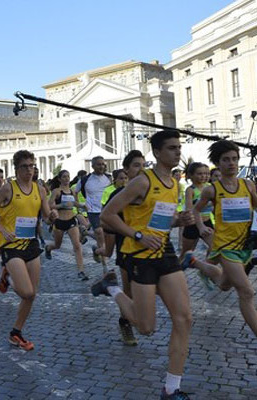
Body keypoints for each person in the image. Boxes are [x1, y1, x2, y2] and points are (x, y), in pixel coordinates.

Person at [94, 130, 194, 399]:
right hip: (140, 258)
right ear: (158, 153)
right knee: (146, 328)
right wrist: (138, 235)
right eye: (172, 148)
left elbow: (160, 220)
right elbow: (108, 215)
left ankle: (171, 389)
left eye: (179, 147)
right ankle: (112, 288)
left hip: (165, 253)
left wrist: (178, 221)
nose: (178, 152)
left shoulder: (174, 182)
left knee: (184, 318)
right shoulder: (141, 182)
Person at [0, 150, 58, 351]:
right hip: (10, 245)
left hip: (30, 244)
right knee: (25, 290)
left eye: (32, 166)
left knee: (31, 295)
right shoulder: (8, 188)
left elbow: (45, 214)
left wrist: (53, 215)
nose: (29, 170)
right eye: (25, 166)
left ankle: (16, 333)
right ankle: (7, 277)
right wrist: (1, 229)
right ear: (16, 169)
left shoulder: (39, 189)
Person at [183, 140, 257, 338]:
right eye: (226, 160)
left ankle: (195, 263)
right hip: (225, 246)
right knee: (246, 292)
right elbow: (196, 211)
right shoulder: (212, 190)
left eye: (234, 159)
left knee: (224, 285)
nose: (231, 163)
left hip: (245, 244)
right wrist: (200, 227)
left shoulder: (247, 184)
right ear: (218, 163)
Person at [98, 150, 145, 346]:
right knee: (130, 292)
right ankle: (125, 323)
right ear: (126, 170)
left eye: (143, 165)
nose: (141, 170)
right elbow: (106, 221)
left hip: (152, 249)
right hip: (126, 249)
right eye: (136, 165)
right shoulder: (119, 195)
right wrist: (127, 232)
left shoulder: (150, 191)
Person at [45, 170, 88, 281]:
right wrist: (61, 205)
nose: (66, 179)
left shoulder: (73, 192)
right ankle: (48, 248)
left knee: (77, 246)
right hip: (59, 221)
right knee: (57, 245)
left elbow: (75, 204)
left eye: (68, 176)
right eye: (64, 177)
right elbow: (50, 206)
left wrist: (83, 206)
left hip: (71, 221)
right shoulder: (57, 191)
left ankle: (81, 271)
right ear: (59, 179)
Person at [76, 156, 111, 271]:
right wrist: (79, 206)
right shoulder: (85, 179)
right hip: (92, 211)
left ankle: (95, 248)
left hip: (106, 210)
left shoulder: (109, 179)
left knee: (106, 237)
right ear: (93, 166)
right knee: (99, 232)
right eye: (98, 164)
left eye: (103, 164)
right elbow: (75, 192)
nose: (101, 166)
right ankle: (105, 265)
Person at [179, 163, 213, 259]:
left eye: (206, 174)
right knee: (186, 253)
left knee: (215, 247)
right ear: (191, 175)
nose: (204, 176)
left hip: (206, 222)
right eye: (200, 174)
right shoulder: (190, 190)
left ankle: (205, 269)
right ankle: (176, 270)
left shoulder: (210, 187)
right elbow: (189, 208)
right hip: (193, 225)